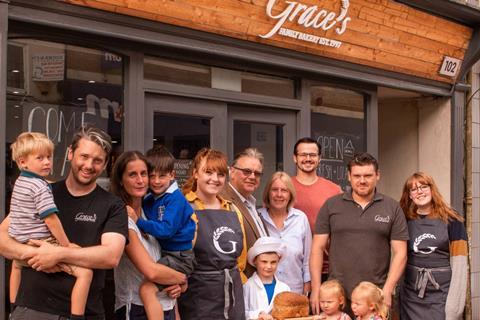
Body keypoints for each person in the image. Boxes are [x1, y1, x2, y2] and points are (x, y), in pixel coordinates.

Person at [0, 124, 129, 319]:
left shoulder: (113, 205)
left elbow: (110, 256)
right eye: (84, 156)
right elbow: (2, 237)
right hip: (30, 310)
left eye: (97, 160)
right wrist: (37, 254)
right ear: (70, 153)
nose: (88, 165)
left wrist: (58, 254)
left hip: (83, 313)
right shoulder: (44, 191)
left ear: (104, 165)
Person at [310, 152, 408, 317]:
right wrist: (316, 289)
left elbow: (401, 253)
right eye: (357, 176)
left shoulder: (392, 207)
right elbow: (317, 249)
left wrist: (388, 289)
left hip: (375, 297)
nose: (362, 180)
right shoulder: (331, 205)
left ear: (377, 175)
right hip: (337, 297)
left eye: (368, 175)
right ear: (349, 176)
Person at [8, 132, 93, 320]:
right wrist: (65, 245)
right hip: (42, 242)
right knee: (85, 273)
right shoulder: (40, 187)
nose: (47, 162)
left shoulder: (20, 182)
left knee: (16, 266)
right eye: (40, 158)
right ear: (22, 162)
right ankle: (77, 316)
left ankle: (13, 308)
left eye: (49, 157)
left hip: (21, 241)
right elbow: (51, 220)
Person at [110, 151, 187, 320]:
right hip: (136, 308)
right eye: (132, 175)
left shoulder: (150, 214)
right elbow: (151, 272)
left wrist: (179, 285)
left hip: (167, 305)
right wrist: (182, 278)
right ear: (121, 181)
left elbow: (169, 257)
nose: (140, 180)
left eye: (144, 174)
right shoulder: (122, 219)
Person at [178, 148, 247, 320]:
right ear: (195, 173)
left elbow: (241, 260)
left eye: (220, 174)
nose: (215, 179)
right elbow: (176, 258)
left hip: (232, 297)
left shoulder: (232, 209)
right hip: (198, 297)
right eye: (208, 172)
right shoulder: (184, 207)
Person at [135, 146, 195, 319]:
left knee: (147, 290)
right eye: (152, 175)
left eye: (162, 176)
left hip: (179, 257)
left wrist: (138, 221)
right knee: (169, 293)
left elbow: (166, 230)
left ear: (172, 175)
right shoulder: (150, 198)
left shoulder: (175, 199)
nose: (156, 181)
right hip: (170, 254)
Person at [398, 172, 468, 320]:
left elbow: (460, 264)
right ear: (409, 195)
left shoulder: (453, 220)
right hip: (411, 297)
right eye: (414, 189)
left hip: (441, 297)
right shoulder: (404, 219)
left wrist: (454, 307)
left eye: (423, 186)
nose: (419, 192)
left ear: (432, 189)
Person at [292, 137, 342, 282]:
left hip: (327, 268)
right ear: (295, 158)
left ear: (319, 158)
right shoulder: (283, 188)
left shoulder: (334, 189)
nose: (308, 159)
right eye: (303, 155)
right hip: (291, 267)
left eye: (313, 155)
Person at [258, 172, 312, 295]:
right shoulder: (258, 217)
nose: (279, 194)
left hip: (294, 290)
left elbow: (308, 258)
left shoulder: (300, 218)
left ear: (290, 194)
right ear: (268, 193)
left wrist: (307, 286)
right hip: (263, 291)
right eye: (274, 190)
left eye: (284, 190)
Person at [220, 148, 268, 277]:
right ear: (232, 172)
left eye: (257, 173)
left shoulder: (251, 203)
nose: (252, 177)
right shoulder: (223, 200)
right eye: (247, 172)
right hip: (238, 283)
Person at [243, 236, 290, 320]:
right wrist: (258, 314)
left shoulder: (284, 288)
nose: (269, 266)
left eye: (273, 262)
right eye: (264, 262)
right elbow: (242, 312)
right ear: (255, 261)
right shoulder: (248, 286)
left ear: (278, 261)